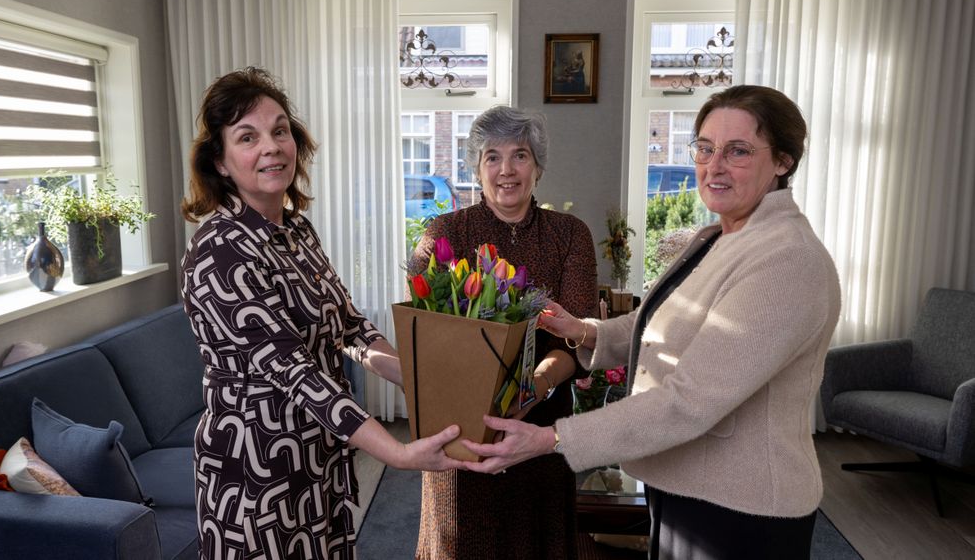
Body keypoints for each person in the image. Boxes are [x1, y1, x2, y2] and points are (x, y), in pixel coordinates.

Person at [461, 85, 842, 560]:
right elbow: (654, 323)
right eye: (704, 147)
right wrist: (582, 330)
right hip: (689, 484)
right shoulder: (717, 237)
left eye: (738, 150)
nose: (714, 165)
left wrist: (553, 438)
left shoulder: (786, 260)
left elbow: (690, 402)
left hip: (742, 507)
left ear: (783, 160)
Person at [180, 67, 464, 560]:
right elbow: (295, 371)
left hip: (320, 458)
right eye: (247, 137)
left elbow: (350, 329)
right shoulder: (218, 252)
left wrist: (419, 381)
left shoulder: (297, 232)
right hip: (256, 474)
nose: (271, 146)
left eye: (280, 130)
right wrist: (396, 453)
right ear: (221, 163)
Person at [409, 105, 598, 559]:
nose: (506, 170)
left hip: (540, 429)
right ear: (476, 166)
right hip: (462, 433)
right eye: (492, 156)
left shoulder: (571, 235)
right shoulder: (443, 233)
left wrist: (533, 388)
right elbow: (429, 338)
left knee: (538, 544)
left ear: (538, 166)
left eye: (520, 155)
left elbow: (572, 339)